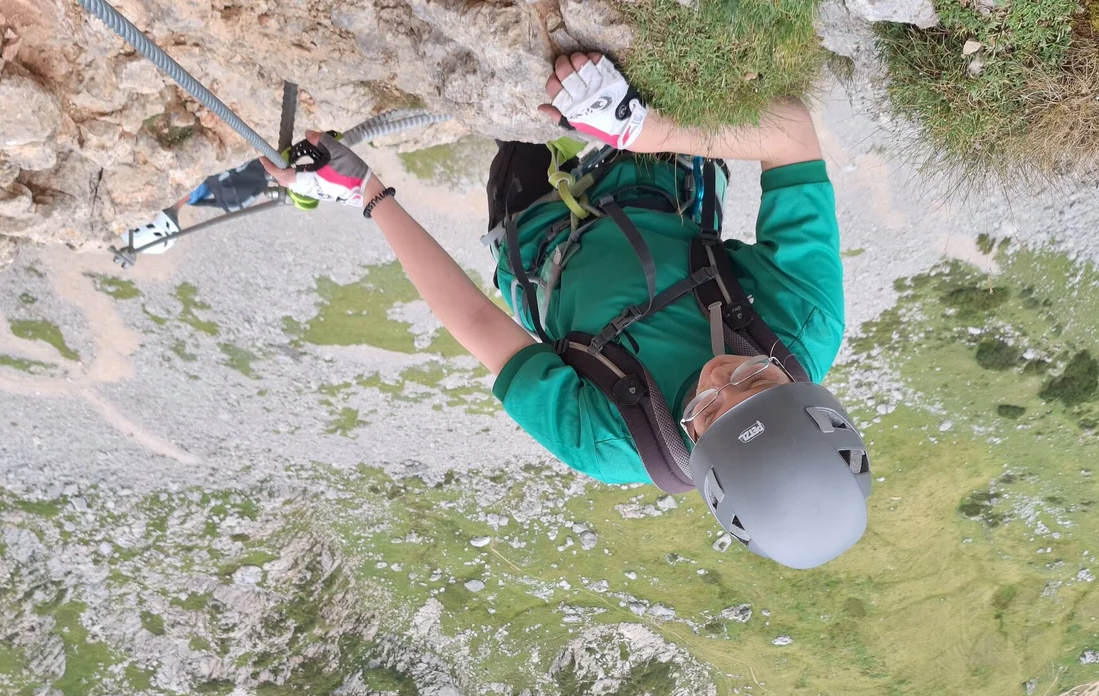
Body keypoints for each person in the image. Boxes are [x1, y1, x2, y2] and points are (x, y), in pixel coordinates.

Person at [267, 53, 872, 569]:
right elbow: (791, 132)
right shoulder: (804, 321)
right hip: (661, 174)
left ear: (700, 457)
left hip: (534, 230)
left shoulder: (612, 442)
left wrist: (366, 192)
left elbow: (479, 325)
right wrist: (635, 126)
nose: (718, 377)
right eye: (755, 377)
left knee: (513, 86)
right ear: (804, 392)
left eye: (706, 411)